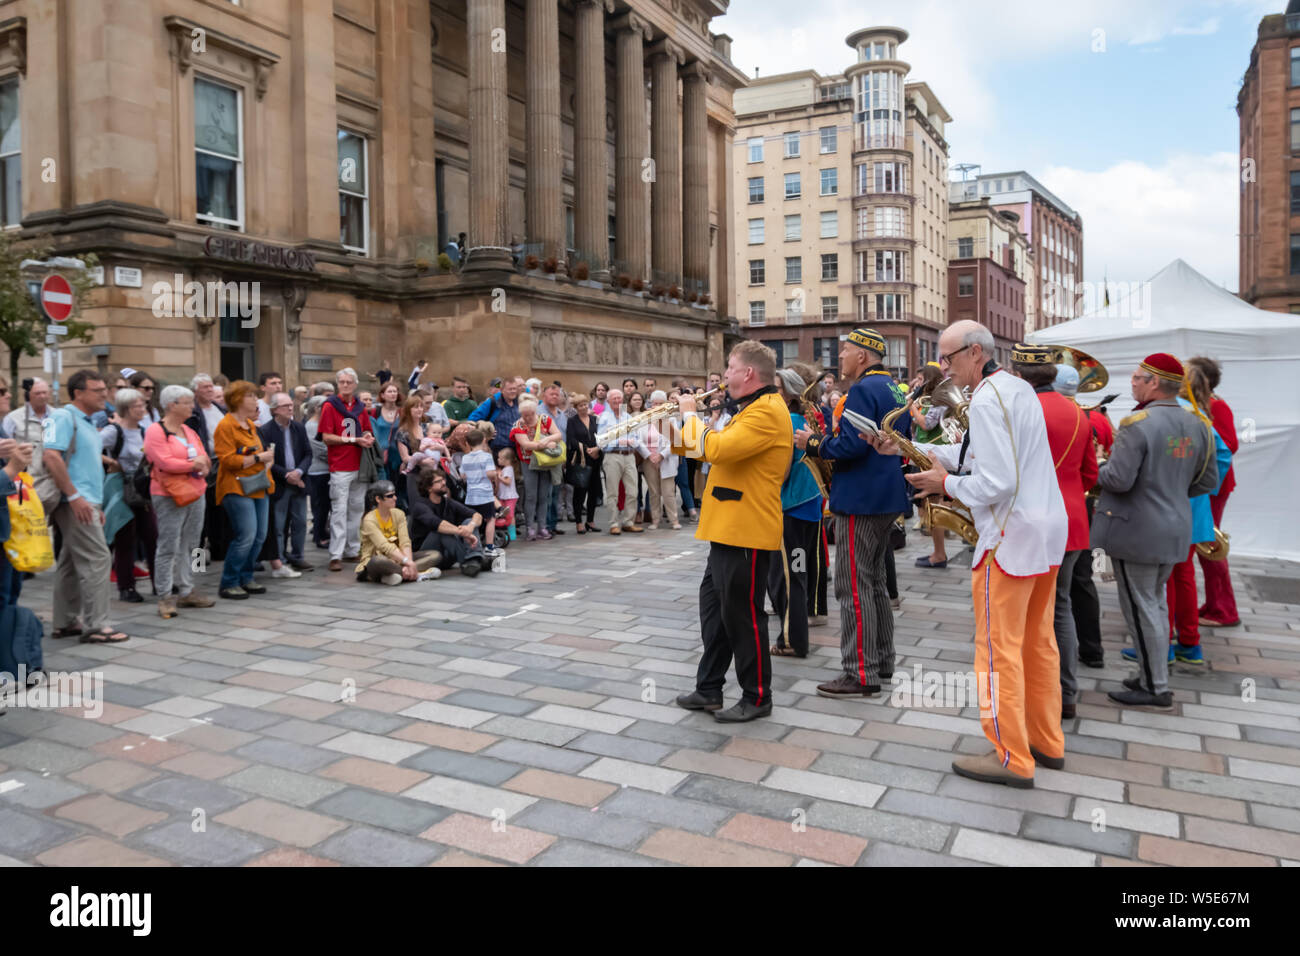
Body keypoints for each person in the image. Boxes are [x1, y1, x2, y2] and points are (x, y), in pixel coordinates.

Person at [869, 323, 1068, 788]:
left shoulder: (986, 398)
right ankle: (1045, 741)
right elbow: (975, 455)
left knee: (998, 651)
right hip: (1044, 532)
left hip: (1009, 535)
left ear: (975, 352)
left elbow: (996, 481)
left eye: (949, 357)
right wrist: (909, 447)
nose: (944, 367)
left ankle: (1011, 756)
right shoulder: (1017, 389)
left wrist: (945, 485)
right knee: (1039, 644)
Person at [671, 341, 792, 723]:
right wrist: (681, 427)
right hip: (727, 527)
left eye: (729, 367)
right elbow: (698, 450)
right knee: (715, 612)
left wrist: (690, 418)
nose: (724, 375)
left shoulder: (767, 412)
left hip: (747, 530)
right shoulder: (751, 409)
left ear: (748, 374)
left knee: (743, 615)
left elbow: (718, 450)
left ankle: (758, 697)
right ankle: (709, 688)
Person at [1092, 354, 1217, 709]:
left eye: (1136, 378)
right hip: (1175, 525)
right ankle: (1152, 675)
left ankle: (1155, 686)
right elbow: (1207, 481)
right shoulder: (1199, 423)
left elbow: (1118, 479)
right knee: (1156, 605)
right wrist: (1169, 490)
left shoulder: (1138, 423)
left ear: (1154, 384)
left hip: (1138, 530)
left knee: (1141, 608)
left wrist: (1096, 465)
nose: (1132, 383)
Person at [795, 329, 909, 699]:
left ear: (862, 356)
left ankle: (860, 672)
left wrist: (812, 442)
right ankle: (882, 659)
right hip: (886, 493)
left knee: (853, 587)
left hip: (861, 496)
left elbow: (851, 447)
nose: (839, 357)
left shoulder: (861, 390)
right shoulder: (893, 388)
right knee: (874, 583)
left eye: (844, 351)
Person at [1012, 346, 1097, 721]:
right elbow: (1091, 475)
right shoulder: (1079, 412)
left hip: (1032, 520)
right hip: (1073, 521)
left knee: (1028, 611)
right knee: (1060, 607)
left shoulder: (1022, 410)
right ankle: (1066, 693)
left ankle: (1035, 693)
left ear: (1018, 375)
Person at [43, 370, 129, 643]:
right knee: (98, 558)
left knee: (70, 562)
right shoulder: (62, 417)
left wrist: (95, 502)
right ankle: (97, 625)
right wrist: (75, 496)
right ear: (78, 393)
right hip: (74, 501)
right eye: (98, 390)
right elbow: (50, 456)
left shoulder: (87, 422)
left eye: (105, 389)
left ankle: (65, 622)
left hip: (85, 500)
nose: (105, 394)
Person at [1156, 364, 1232, 666]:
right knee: (1183, 575)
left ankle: (1166, 642)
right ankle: (1190, 642)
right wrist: (1203, 489)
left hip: (1169, 508)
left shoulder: (1170, 414)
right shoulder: (1199, 416)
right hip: (1192, 507)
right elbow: (1223, 454)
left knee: (1166, 578)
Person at [145, 385, 215, 619]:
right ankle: (165, 594)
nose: (192, 407)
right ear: (171, 405)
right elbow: (163, 462)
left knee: (195, 542)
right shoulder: (156, 431)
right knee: (168, 544)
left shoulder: (188, 429)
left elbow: (204, 453)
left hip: (197, 490)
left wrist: (203, 464)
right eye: (187, 402)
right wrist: (192, 465)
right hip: (169, 494)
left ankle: (189, 587)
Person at [769, 365, 824, 659]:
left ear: (790, 394)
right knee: (798, 573)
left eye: (776, 389)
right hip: (808, 508)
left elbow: (782, 468)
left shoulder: (786, 421)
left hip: (790, 508)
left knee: (784, 578)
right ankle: (795, 637)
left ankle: (791, 640)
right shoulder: (802, 418)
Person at [1188, 356, 1240, 629]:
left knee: (1210, 545)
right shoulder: (1208, 405)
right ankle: (1213, 604)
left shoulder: (1217, 407)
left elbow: (1228, 445)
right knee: (1204, 544)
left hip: (1212, 486)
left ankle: (1224, 610)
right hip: (1210, 484)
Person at [213, 380, 275, 600]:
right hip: (236, 487)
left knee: (259, 536)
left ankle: (246, 577)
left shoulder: (251, 425)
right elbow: (228, 460)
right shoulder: (226, 425)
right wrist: (259, 457)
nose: (255, 399)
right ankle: (229, 581)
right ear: (238, 399)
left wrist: (264, 460)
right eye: (250, 396)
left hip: (258, 484)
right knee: (245, 536)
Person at [100, 387, 157, 603]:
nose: (142, 409)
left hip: (142, 489)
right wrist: (111, 462)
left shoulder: (145, 430)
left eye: (143, 405)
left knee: (152, 536)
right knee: (125, 538)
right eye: (137, 406)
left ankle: (159, 583)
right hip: (121, 488)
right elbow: (90, 447)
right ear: (125, 408)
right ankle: (126, 587)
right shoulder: (114, 431)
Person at [319, 367, 375, 571]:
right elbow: (326, 437)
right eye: (341, 382)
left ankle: (352, 549)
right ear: (337, 384)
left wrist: (367, 437)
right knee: (339, 510)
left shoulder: (360, 406)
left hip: (359, 464)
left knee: (357, 509)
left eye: (348, 382)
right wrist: (353, 439)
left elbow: (367, 427)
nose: (345, 385)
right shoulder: (329, 406)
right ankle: (335, 554)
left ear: (355, 384)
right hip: (340, 466)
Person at [259, 392, 314, 575]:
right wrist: (287, 475)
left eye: (291, 405)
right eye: (285, 406)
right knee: (279, 524)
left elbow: (307, 453)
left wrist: (298, 472)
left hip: (298, 481)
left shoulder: (298, 427)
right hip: (279, 483)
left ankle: (297, 556)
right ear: (274, 410)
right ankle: (280, 559)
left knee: (300, 522)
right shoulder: (266, 430)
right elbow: (268, 460)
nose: (290, 408)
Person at [907, 364, 953, 569]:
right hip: (926, 453)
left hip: (935, 456)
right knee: (930, 504)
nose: (917, 383)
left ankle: (939, 554)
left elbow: (926, 424)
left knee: (935, 504)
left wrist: (912, 408)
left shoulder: (939, 400)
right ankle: (937, 551)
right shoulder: (929, 399)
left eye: (920, 379)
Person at [356, 480, 441, 584]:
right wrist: (408, 562)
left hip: (399, 559)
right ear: (378, 499)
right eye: (390, 496)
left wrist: (408, 562)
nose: (395, 498)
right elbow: (384, 546)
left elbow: (405, 541)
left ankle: (394, 576)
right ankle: (417, 574)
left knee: (435, 555)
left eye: (394, 494)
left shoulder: (399, 514)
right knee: (377, 561)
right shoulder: (369, 520)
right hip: (380, 561)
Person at [409, 468, 487, 575]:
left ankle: (474, 559)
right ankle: (472, 561)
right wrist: (462, 532)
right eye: (439, 481)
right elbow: (437, 524)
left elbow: (477, 515)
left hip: (445, 555)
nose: (444, 483)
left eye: (443, 480)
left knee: (468, 521)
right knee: (440, 532)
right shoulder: (420, 506)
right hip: (426, 556)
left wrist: (470, 527)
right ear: (429, 488)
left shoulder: (448, 502)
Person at [187, 373, 231, 562]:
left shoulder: (220, 409)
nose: (210, 390)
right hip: (201, 468)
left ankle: (219, 553)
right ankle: (197, 561)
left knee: (220, 512)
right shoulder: (192, 413)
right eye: (205, 387)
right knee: (200, 518)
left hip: (222, 465)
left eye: (211, 386)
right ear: (195, 391)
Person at [595, 388, 649, 534]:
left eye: (619, 399)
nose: (617, 401)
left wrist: (630, 442)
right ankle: (613, 524)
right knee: (612, 492)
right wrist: (622, 441)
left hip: (629, 456)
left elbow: (636, 438)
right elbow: (602, 441)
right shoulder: (604, 417)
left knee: (633, 491)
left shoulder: (628, 417)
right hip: (613, 456)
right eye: (614, 399)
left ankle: (628, 521)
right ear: (608, 401)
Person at [510, 396, 563, 541]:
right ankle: (530, 528)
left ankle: (542, 527)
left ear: (535, 412)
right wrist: (546, 444)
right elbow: (526, 445)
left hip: (545, 463)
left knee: (544, 496)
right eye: (524, 415)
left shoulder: (545, 419)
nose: (527, 418)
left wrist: (546, 439)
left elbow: (558, 434)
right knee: (531, 496)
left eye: (530, 414)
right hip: (528, 463)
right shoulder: (518, 426)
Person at [638, 391, 677, 530]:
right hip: (649, 460)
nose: (658, 406)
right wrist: (649, 455)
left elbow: (675, 441)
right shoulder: (645, 419)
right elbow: (639, 440)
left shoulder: (671, 419)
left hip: (666, 459)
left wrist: (661, 455)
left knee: (668, 492)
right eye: (656, 403)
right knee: (654, 491)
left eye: (661, 403)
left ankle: (674, 520)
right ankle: (655, 520)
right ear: (651, 403)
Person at [459, 428, 499, 551]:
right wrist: (495, 474)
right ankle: (489, 546)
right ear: (483, 440)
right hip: (485, 494)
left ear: (468, 443)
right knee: (490, 519)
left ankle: (473, 544)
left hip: (471, 495)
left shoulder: (465, 458)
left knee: (473, 520)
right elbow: (489, 474)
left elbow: (462, 476)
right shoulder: (486, 457)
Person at [566, 394, 601, 534]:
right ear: (576, 408)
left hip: (596, 459)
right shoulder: (572, 421)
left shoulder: (594, 419)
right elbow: (571, 439)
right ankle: (579, 522)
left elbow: (601, 435)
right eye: (581, 405)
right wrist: (587, 450)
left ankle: (590, 521)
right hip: (581, 460)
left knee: (594, 491)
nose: (584, 407)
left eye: (586, 404)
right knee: (580, 492)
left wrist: (597, 449)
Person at [302, 396, 332, 550]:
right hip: (317, 471)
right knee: (320, 506)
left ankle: (322, 532)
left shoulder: (321, 424)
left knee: (325, 505)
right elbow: (320, 450)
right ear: (317, 408)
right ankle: (319, 536)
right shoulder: (311, 426)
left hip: (325, 470)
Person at [468, 376, 522, 458]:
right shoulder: (492, 402)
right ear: (502, 390)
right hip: (498, 450)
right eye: (510, 389)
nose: (513, 391)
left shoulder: (519, 402)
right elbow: (472, 419)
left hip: (517, 449)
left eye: (514, 389)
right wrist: (484, 433)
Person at [371, 381, 404, 490]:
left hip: (399, 455)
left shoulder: (402, 412)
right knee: (383, 486)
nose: (393, 394)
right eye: (389, 391)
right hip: (381, 455)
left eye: (395, 391)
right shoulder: (375, 411)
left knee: (399, 485)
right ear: (382, 395)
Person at [496, 446, 520, 538]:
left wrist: (499, 477)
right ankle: (506, 532)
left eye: (500, 458)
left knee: (509, 515)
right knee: (503, 514)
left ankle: (512, 533)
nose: (498, 460)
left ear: (507, 460)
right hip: (503, 496)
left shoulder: (508, 469)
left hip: (510, 496)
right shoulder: (505, 469)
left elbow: (508, 482)